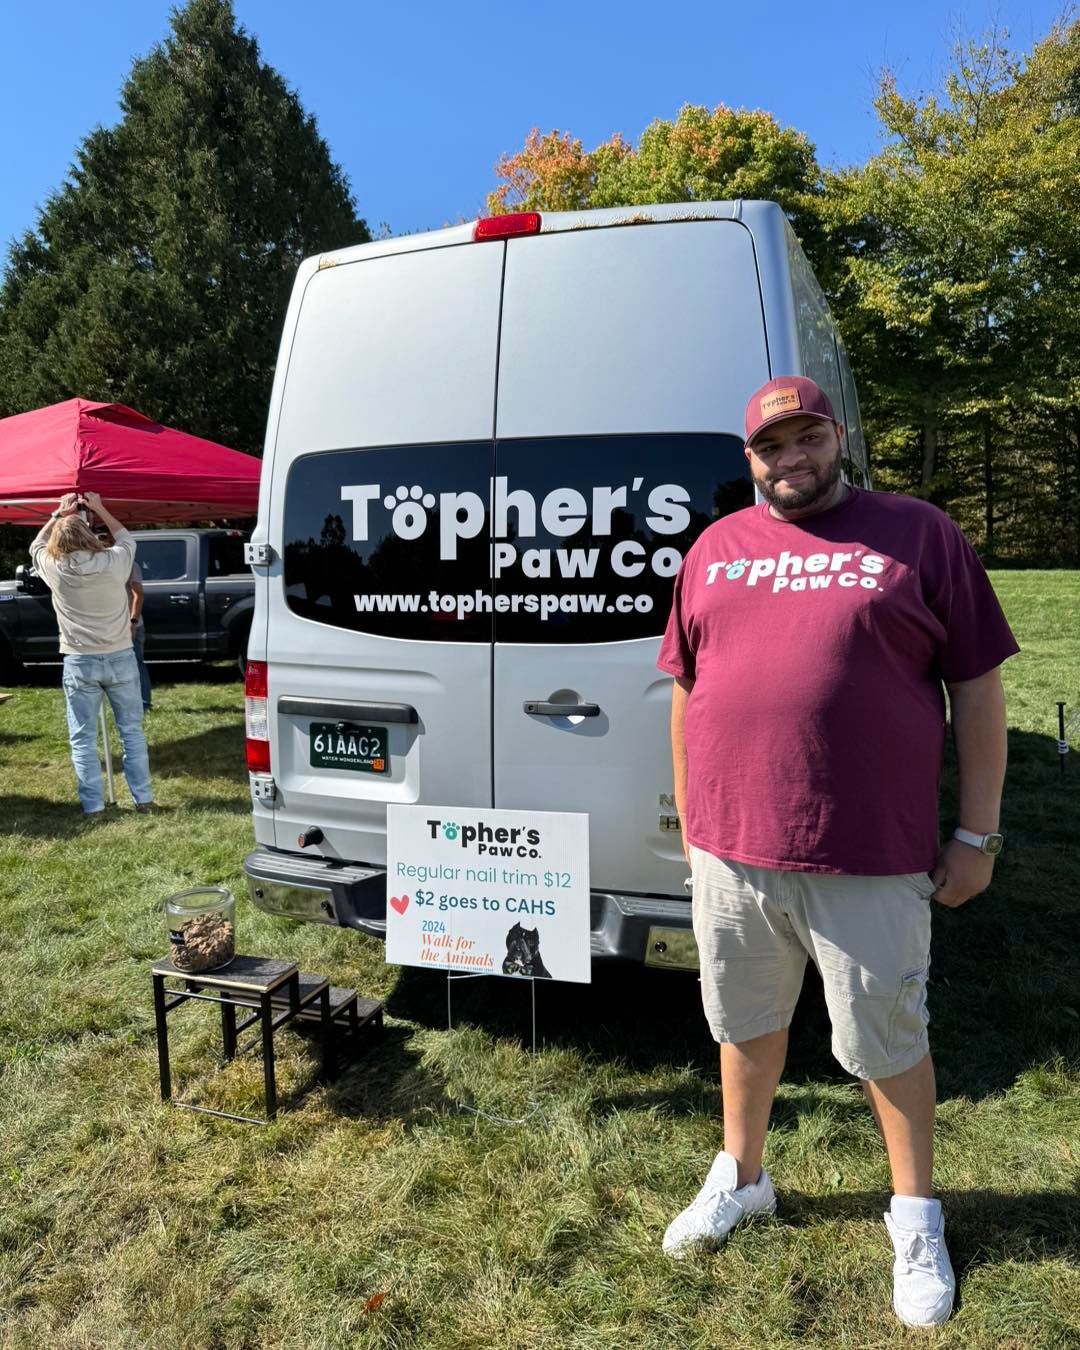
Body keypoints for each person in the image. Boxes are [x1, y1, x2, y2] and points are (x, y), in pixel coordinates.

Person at [657, 376, 1018, 1328]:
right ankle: (742, 1176)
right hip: (734, 852)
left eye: (807, 438)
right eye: (772, 447)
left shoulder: (918, 533)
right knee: (742, 1026)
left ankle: (915, 1215)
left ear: (838, 437)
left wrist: (976, 835)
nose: (792, 458)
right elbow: (689, 692)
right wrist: (695, 826)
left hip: (868, 850)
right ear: (751, 460)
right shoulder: (714, 549)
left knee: (885, 1042)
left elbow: (978, 692)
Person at [30, 491, 154, 815]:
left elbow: (35, 547)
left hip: (79, 661)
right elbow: (126, 537)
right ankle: (143, 800)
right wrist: (99, 507)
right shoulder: (114, 562)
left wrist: (58, 514)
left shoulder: (55, 569)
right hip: (120, 657)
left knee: (83, 739)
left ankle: (94, 807)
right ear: (88, 534)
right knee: (132, 732)